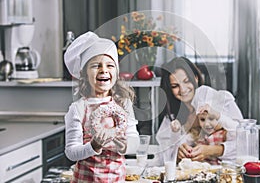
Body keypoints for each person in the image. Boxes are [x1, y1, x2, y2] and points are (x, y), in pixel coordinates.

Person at [63, 31, 139, 182]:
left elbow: (134, 139)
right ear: (84, 73)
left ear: (116, 73)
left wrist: (125, 145)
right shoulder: (78, 108)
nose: (103, 70)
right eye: (96, 65)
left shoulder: (124, 104)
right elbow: (71, 152)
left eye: (110, 65)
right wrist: (93, 146)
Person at [156, 56, 243, 164]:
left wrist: (212, 150)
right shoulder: (172, 116)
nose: (182, 90)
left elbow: (244, 144)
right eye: (175, 86)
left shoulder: (221, 101)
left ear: (196, 78)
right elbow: (161, 157)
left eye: (186, 81)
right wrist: (178, 153)